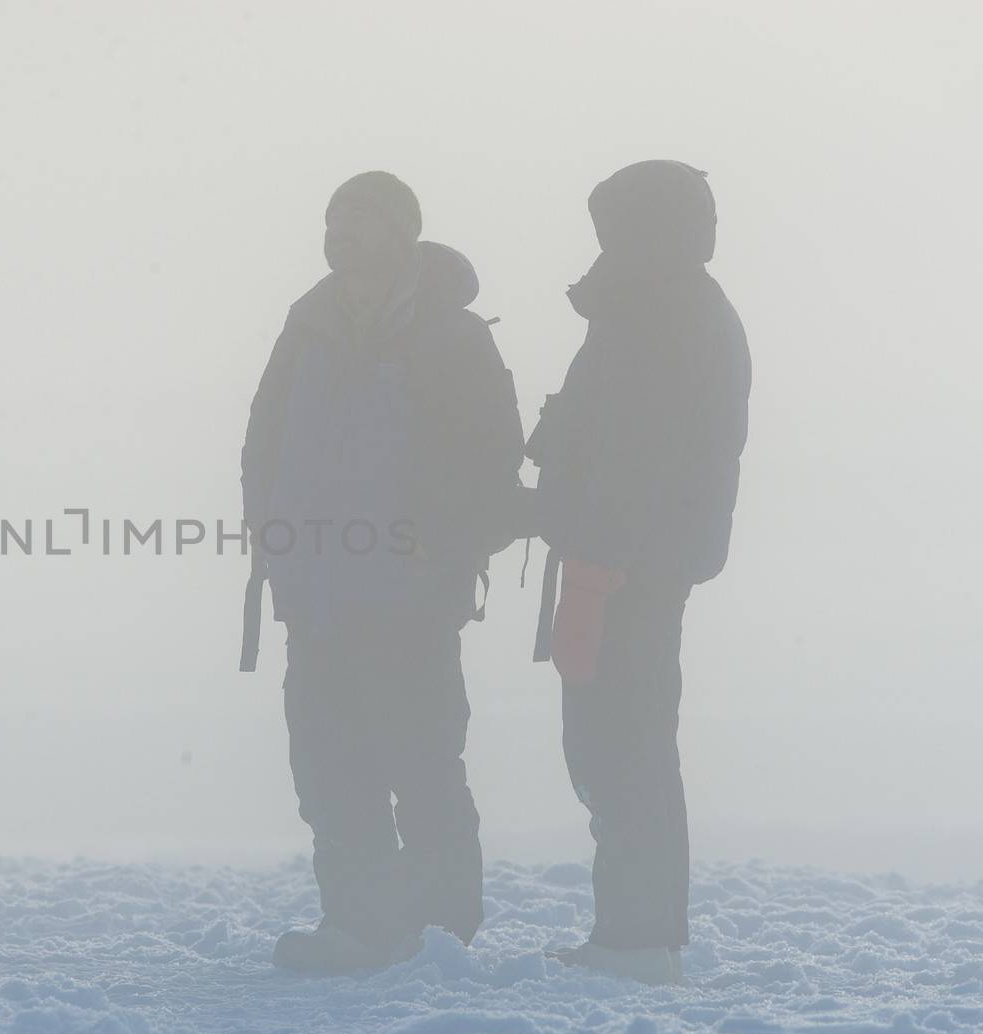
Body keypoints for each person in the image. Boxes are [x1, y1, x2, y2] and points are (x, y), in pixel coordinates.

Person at [240, 171, 523, 974]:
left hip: (410, 599)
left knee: (422, 763)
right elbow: (263, 436)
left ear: (400, 235)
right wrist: (270, 535)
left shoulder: (452, 336)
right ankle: (359, 926)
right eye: (332, 219)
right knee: (331, 769)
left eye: (359, 221)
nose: (340, 236)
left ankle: (439, 934)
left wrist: (444, 547)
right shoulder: (307, 325)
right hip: (320, 594)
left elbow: (493, 461)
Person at [526, 160, 751, 984]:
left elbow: (643, 450)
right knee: (613, 744)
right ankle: (632, 930)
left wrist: (596, 533)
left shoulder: (662, 311)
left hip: (626, 565)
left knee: (622, 745)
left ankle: (639, 938)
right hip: (620, 557)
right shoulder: (657, 306)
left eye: (616, 223)